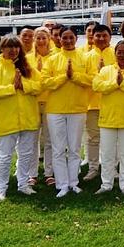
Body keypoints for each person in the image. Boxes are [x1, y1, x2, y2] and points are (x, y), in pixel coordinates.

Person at [0, 35, 42, 202]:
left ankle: (23, 184)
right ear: (2, 49)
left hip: (28, 118)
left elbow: (39, 86)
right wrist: (11, 88)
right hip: (5, 119)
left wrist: (24, 86)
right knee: (5, 155)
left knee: (26, 154)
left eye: (16, 47)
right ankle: (1, 188)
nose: (13, 50)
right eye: (9, 47)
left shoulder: (28, 68)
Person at [41, 27, 92, 197]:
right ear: (59, 40)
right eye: (65, 38)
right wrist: (64, 77)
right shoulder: (52, 59)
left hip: (77, 109)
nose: (68, 41)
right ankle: (62, 184)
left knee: (75, 148)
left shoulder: (85, 58)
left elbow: (92, 80)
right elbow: (45, 82)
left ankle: (73, 182)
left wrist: (75, 76)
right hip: (56, 110)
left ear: (76, 39)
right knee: (58, 148)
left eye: (71, 37)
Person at [91, 40, 124, 195]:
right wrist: (115, 84)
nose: (122, 55)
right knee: (107, 154)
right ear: (115, 54)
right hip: (108, 119)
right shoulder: (106, 70)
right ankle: (106, 184)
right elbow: (97, 86)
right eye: (119, 52)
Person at [83, 24, 115, 182]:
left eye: (104, 36)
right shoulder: (87, 56)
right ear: (93, 38)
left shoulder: (116, 53)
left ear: (109, 37)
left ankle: (112, 168)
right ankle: (93, 167)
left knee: (112, 139)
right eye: (98, 36)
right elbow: (82, 78)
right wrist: (99, 76)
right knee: (93, 138)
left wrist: (100, 78)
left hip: (112, 103)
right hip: (92, 103)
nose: (101, 39)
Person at [27, 27, 56, 186]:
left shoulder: (55, 58)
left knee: (49, 139)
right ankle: (32, 173)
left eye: (44, 38)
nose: (41, 41)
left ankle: (49, 172)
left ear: (49, 39)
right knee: (32, 139)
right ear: (34, 40)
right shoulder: (27, 58)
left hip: (50, 102)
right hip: (32, 102)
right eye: (38, 38)